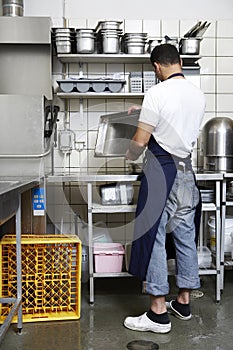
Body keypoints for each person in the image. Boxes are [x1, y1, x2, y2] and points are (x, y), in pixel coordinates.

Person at [123, 43, 205, 334]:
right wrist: (143, 110)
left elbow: (141, 140)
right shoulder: (197, 94)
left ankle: (157, 313)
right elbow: (175, 124)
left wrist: (129, 155)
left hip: (161, 172)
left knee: (154, 237)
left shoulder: (156, 92)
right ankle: (183, 302)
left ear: (156, 67)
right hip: (186, 173)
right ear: (179, 62)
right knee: (185, 236)